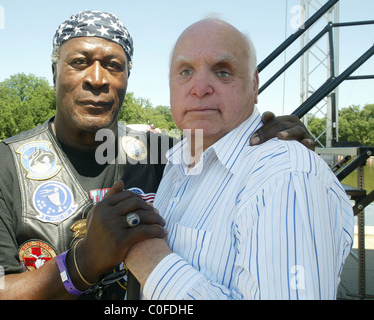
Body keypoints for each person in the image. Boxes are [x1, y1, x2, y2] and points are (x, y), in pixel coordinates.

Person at [0, 11, 313, 300]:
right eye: (79, 62)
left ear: (126, 78)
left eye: (113, 65)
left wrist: (267, 132)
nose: (97, 78)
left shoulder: (163, 155)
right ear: (54, 72)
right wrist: (82, 261)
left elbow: (226, 151)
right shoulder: (1, 168)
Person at [124, 18, 354, 300]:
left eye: (223, 72)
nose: (199, 88)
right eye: (185, 71)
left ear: (255, 85)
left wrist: (151, 261)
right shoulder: (177, 163)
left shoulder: (285, 176)